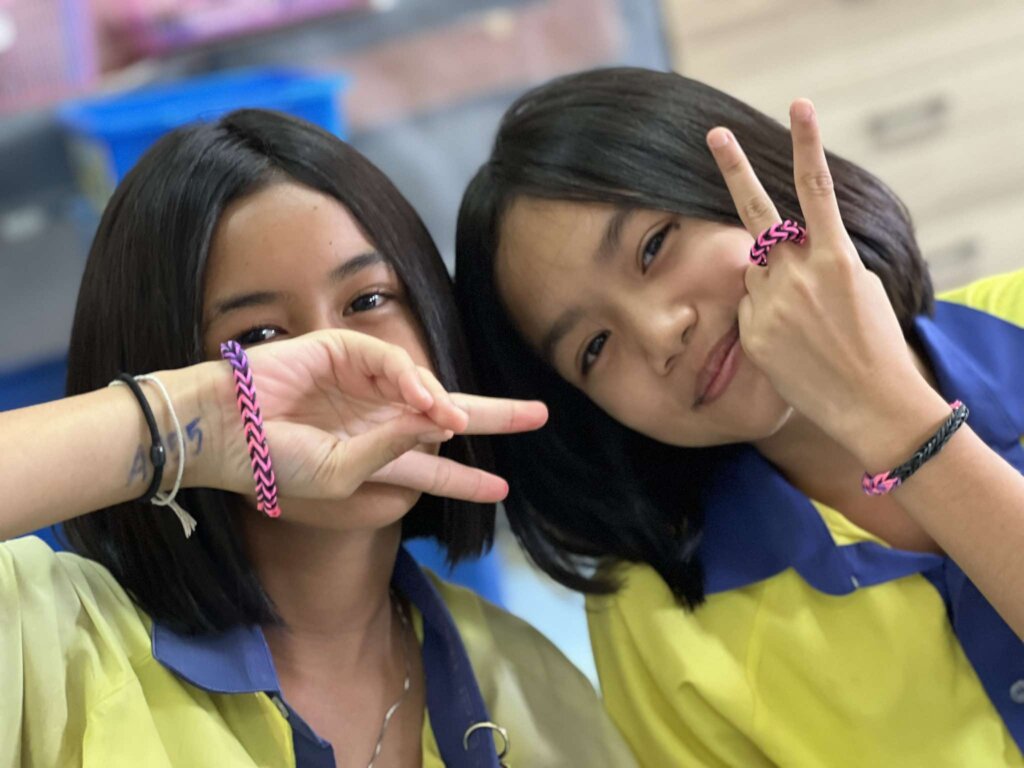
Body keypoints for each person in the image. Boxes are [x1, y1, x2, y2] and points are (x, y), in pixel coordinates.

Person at [0, 108, 636, 768]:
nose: (337, 364)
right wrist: (196, 423)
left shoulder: (530, 682)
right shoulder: (53, 649)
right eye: (258, 336)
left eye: (368, 301)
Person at [455, 66, 1024, 767]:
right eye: (594, 348)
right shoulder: (658, 622)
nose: (660, 333)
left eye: (653, 247)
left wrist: (894, 417)